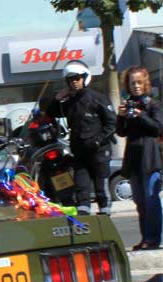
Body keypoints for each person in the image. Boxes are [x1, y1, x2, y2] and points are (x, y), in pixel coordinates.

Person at [47, 60, 116, 215]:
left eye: (77, 78)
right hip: (79, 153)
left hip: (99, 152)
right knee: (81, 186)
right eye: (71, 79)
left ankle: (105, 214)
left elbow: (112, 123)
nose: (74, 82)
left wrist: (99, 140)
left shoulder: (98, 98)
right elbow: (51, 112)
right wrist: (57, 98)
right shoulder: (70, 103)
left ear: (85, 78)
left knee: (101, 186)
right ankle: (84, 217)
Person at [116, 65, 163, 250]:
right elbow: (121, 132)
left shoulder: (153, 104)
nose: (135, 86)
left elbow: (158, 128)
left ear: (145, 84)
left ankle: (153, 238)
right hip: (134, 158)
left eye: (139, 82)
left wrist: (141, 115)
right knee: (140, 202)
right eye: (132, 82)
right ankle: (145, 238)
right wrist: (121, 116)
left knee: (151, 200)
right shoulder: (128, 104)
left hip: (150, 158)